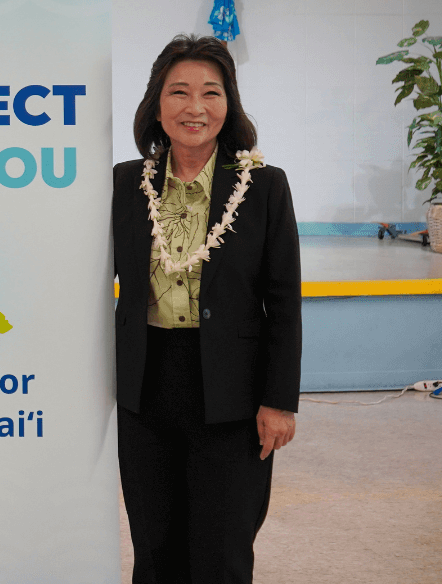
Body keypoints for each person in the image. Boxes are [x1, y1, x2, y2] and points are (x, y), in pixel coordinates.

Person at [111, 35, 301, 584]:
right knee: (156, 549)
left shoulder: (263, 187)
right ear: (157, 104)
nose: (196, 108)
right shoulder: (126, 183)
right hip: (146, 386)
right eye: (179, 92)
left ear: (229, 103)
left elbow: (284, 300)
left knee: (221, 551)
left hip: (233, 392)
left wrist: (279, 401)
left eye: (211, 93)